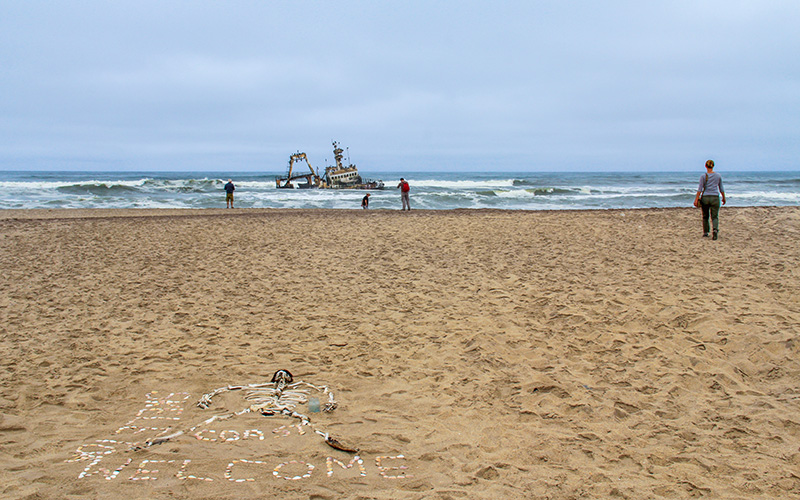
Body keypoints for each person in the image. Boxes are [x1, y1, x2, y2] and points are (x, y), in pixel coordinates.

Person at [693, 160, 726, 240]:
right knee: (715, 216)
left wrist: (696, 199)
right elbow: (721, 188)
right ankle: (715, 229)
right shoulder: (718, 176)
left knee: (705, 216)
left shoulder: (703, 176)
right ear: (713, 166)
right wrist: (723, 197)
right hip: (715, 197)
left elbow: (700, 189)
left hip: (705, 197)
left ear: (705, 166)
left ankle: (706, 232)